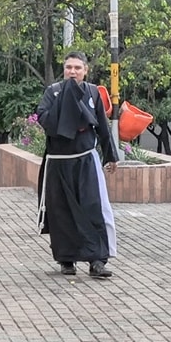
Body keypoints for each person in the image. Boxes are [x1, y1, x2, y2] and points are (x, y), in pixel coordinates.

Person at [35, 51, 121, 279]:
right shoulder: (53, 92)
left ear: (85, 70)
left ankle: (97, 261)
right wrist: (68, 106)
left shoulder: (93, 92)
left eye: (77, 68)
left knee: (92, 209)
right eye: (69, 67)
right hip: (59, 163)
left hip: (85, 161)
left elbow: (101, 126)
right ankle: (66, 260)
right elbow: (43, 118)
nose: (72, 71)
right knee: (61, 212)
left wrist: (110, 155)